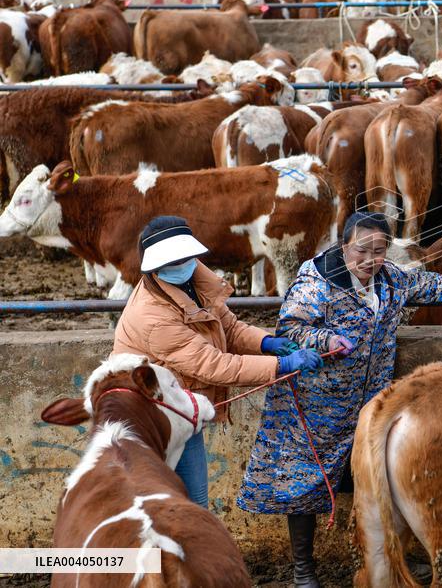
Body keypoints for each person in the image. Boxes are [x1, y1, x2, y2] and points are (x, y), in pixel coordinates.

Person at [236, 211, 442, 588]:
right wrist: (326, 340)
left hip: (369, 405)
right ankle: (304, 571)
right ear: (344, 246)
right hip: (317, 404)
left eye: (380, 250)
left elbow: (419, 283)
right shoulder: (317, 280)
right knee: (304, 482)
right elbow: (291, 327)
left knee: (374, 479)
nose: (370, 260)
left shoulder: (388, 279)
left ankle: (384, 559)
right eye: (362, 250)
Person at [113, 216, 322, 508]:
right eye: (172, 263)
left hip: (178, 407)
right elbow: (213, 364)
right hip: (148, 416)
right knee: (159, 504)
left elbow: (229, 327)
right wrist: (280, 366)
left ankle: (188, 551)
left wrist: (267, 343)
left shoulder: (193, 280)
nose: (182, 266)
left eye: (185, 258)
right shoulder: (152, 317)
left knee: (193, 501)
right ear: (155, 268)